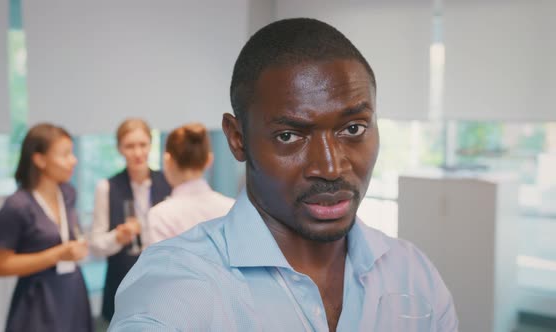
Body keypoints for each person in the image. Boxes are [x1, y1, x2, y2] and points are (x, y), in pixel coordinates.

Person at [109, 18, 458, 331]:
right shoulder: (178, 283)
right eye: (289, 136)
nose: (330, 167)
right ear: (238, 138)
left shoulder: (415, 275)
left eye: (353, 128)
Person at [0, 123, 93, 332]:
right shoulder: (17, 205)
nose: (73, 160)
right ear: (39, 159)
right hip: (38, 300)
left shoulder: (68, 193)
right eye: (65, 155)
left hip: (73, 291)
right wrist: (57, 254)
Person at [89, 118, 171, 322]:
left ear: (151, 145)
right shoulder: (106, 187)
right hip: (121, 284)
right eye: (130, 146)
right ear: (119, 149)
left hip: (163, 284)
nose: (137, 152)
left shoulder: (168, 181)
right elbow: (95, 245)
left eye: (142, 145)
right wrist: (117, 237)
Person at [145, 123, 234, 247]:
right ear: (209, 160)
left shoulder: (161, 216)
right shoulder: (233, 208)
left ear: (167, 160)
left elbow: (158, 265)